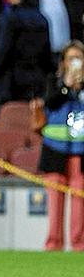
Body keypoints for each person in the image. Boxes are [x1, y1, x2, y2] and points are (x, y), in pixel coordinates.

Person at [39, 40, 84, 251]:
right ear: (63, 62)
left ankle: (78, 244)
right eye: (71, 58)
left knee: (79, 200)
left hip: (80, 151)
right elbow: (50, 103)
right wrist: (66, 87)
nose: (75, 62)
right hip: (54, 149)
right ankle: (53, 244)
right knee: (55, 201)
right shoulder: (53, 82)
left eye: (79, 57)